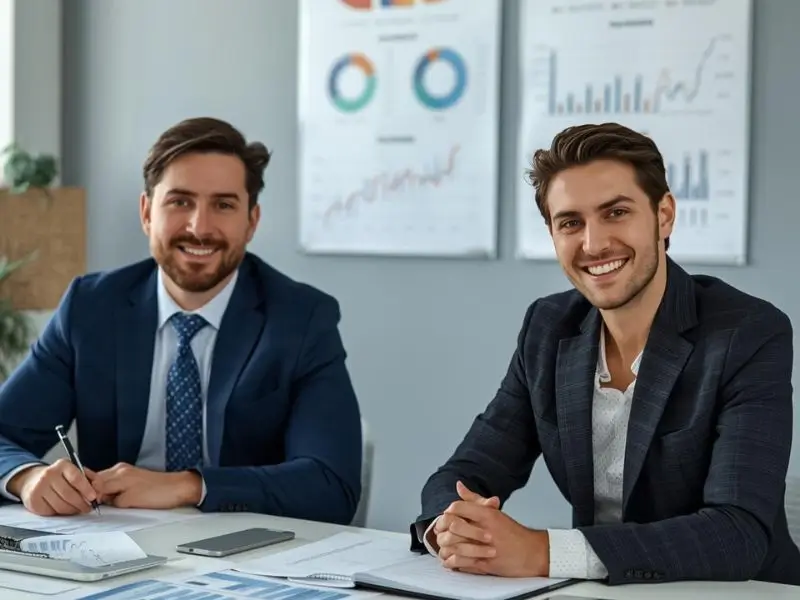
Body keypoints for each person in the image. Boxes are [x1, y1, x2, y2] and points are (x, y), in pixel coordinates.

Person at [410, 122, 800, 586]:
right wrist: (452, 527)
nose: (593, 244)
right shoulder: (548, 329)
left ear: (664, 215)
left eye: (616, 212)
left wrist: (541, 551)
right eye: (571, 222)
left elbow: (737, 533)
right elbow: (467, 471)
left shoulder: (747, 333)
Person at [0, 117, 362, 525]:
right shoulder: (91, 307)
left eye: (223, 205)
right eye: (180, 201)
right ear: (146, 212)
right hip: (113, 546)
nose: (199, 228)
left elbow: (331, 485)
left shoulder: (301, 319)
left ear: (252, 222)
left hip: (247, 554)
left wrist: (190, 485)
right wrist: (26, 478)